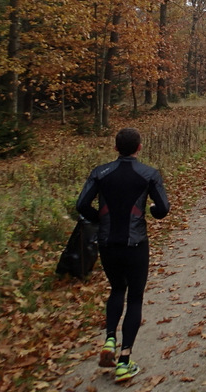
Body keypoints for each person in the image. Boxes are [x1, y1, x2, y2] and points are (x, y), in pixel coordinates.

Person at [76, 127, 170, 383]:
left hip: (107, 243)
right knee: (135, 297)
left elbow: (82, 205)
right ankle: (124, 361)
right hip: (136, 243)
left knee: (117, 289)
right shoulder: (149, 174)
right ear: (139, 147)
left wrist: (101, 219)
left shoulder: (100, 172)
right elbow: (163, 209)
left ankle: (109, 339)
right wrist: (150, 209)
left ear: (115, 148)